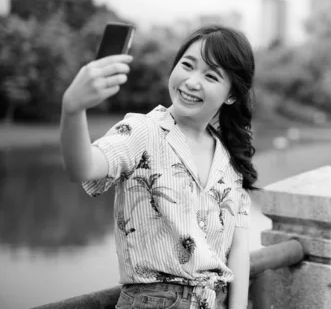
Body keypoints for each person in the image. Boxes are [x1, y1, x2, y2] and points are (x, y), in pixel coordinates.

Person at [60, 25, 258, 309]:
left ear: (231, 95)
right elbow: (81, 167)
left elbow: (238, 249)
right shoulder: (142, 131)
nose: (191, 82)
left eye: (210, 76)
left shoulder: (230, 159)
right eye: (187, 66)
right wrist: (73, 108)